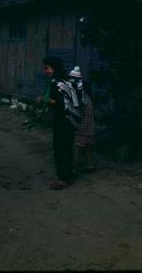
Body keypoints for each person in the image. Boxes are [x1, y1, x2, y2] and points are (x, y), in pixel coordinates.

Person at [37, 56, 78, 190]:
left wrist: (45, 99)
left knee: (61, 148)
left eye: (47, 68)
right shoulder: (65, 81)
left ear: (55, 68)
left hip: (63, 120)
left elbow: (60, 103)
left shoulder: (57, 84)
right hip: (69, 120)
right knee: (66, 147)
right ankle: (68, 174)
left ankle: (63, 178)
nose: (46, 71)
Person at [68, 66, 96, 172]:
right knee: (88, 148)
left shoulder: (82, 100)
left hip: (81, 128)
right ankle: (90, 165)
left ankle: (73, 168)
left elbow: (78, 112)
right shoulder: (89, 100)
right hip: (90, 128)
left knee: (77, 148)